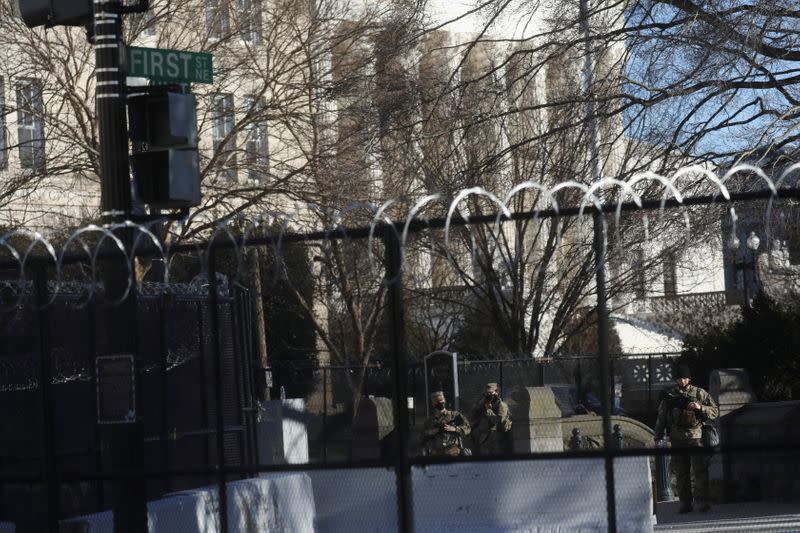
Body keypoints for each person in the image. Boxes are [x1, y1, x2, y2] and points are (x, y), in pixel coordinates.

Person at [654, 364, 719, 513]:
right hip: (677, 439)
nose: (682, 381)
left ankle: (702, 502)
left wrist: (700, 407)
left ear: (689, 378)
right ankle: (685, 503)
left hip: (696, 438)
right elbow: (661, 418)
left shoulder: (699, 394)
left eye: (684, 378)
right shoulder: (670, 396)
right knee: (681, 474)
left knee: (700, 472)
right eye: (679, 378)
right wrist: (657, 437)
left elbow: (715, 411)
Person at [421, 390, 471, 456]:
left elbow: (467, 428)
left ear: (445, 400)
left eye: (442, 400)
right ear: (433, 404)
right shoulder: (429, 421)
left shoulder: (454, 416)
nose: (441, 402)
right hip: (436, 455)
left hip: (453, 453)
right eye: (438, 401)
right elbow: (422, 437)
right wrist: (431, 432)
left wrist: (455, 429)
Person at [469, 382, 512, 455]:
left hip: (495, 438)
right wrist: (481, 404)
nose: (488, 395)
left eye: (490, 393)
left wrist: (489, 410)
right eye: (487, 393)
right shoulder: (484, 403)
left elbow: (498, 422)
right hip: (483, 437)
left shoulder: (501, 405)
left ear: (496, 392)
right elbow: (472, 415)